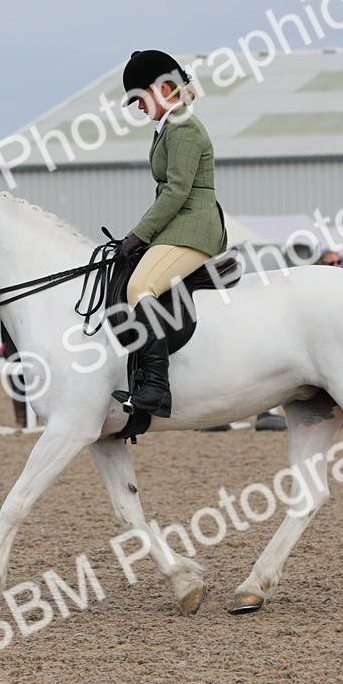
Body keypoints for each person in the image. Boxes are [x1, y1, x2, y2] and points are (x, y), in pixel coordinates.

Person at [118, 49, 227, 418]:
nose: (137, 108)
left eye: (138, 99)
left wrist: (138, 235)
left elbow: (177, 191)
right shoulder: (169, 126)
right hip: (179, 223)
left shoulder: (183, 128)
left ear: (162, 88)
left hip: (194, 226)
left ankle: (157, 388)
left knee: (139, 287)